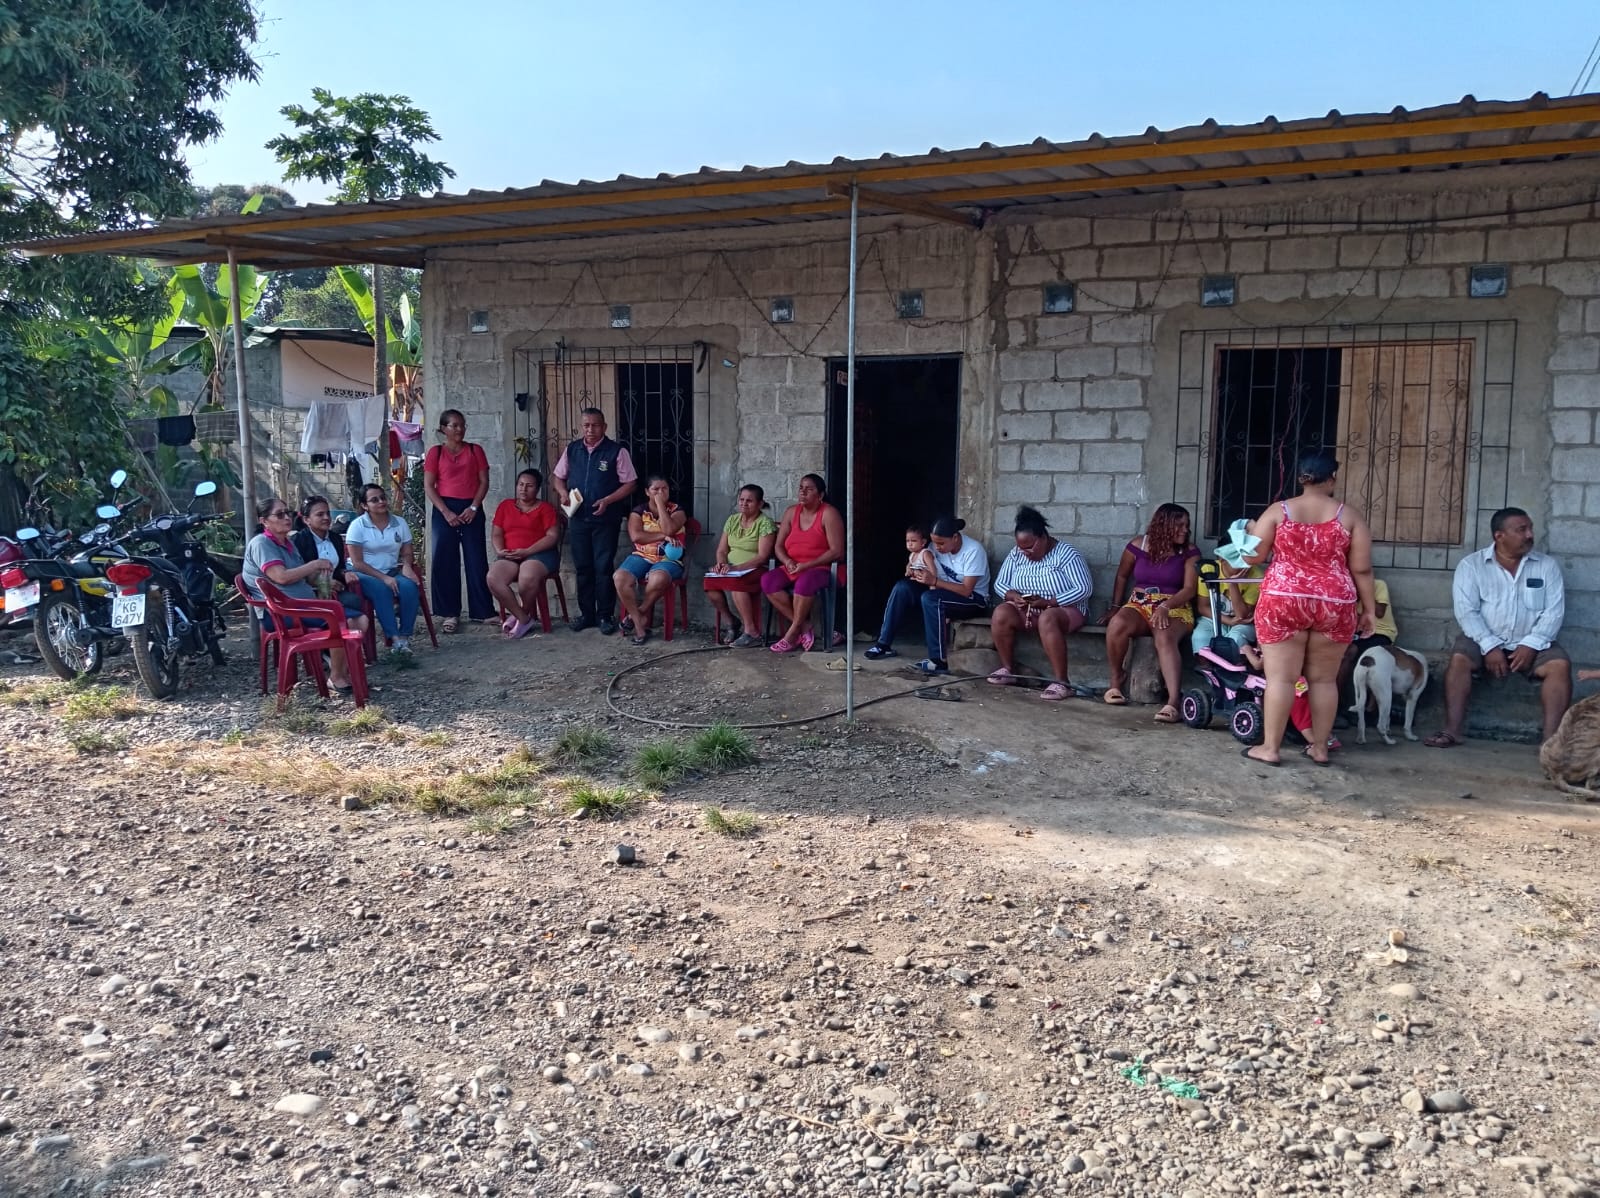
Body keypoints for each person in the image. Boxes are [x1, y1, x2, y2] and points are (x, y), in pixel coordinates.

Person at [1241, 452, 1376, 766]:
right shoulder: (1349, 516)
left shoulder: (1278, 511)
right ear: (1332, 478)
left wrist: (1250, 533)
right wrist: (1369, 610)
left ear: (1301, 478)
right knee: (1324, 681)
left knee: (1281, 679)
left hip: (1283, 598)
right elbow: (1362, 568)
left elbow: (1252, 557)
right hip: (1334, 603)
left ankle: (1270, 749)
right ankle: (1320, 748)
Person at [1425, 508, 1570, 747]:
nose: (1529, 535)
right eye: (1521, 530)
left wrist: (1531, 644)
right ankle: (1452, 731)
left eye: (1530, 528)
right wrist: (1490, 646)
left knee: (1559, 666)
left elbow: (1554, 612)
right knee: (1460, 659)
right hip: (1482, 638)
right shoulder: (1472, 566)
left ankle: (1551, 743)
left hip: (1532, 639)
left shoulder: (1546, 566)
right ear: (1499, 536)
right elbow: (1466, 612)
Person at [242, 494, 354, 692]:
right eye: (280, 514)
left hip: (300, 605)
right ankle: (336, 676)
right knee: (339, 619)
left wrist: (323, 582)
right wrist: (315, 564)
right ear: (264, 521)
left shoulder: (287, 543)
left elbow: (303, 576)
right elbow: (281, 577)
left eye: (288, 513)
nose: (287, 518)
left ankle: (340, 668)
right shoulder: (262, 543)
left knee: (351, 615)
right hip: (281, 612)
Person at [1101, 503, 1201, 722]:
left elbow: (1189, 589)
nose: (1185, 530)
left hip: (1174, 606)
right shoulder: (1138, 545)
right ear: (1163, 525)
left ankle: (1173, 701)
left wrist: (1165, 607)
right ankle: (1116, 681)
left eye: (1187, 525)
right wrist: (1116, 607)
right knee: (1117, 624)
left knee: (1164, 636)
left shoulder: (1190, 552)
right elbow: (1122, 576)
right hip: (1140, 603)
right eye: (1179, 525)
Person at [986, 506, 1094, 700]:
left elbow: (1084, 589)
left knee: (1048, 617)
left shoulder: (1067, 554)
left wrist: (1050, 602)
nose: (1025, 552)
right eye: (1021, 548)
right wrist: (1014, 597)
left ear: (1043, 537)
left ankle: (1063, 683)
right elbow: (1000, 584)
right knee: (1001, 612)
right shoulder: (1016, 554)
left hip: (1065, 610)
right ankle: (1008, 669)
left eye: (1029, 547)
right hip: (1028, 610)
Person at [864, 515, 991, 675]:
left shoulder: (973, 551)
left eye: (941, 543)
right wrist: (915, 572)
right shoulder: (933, 548)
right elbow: (923, 565)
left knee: (931, 599)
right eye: (934, 542)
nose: (937, 547)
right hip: (942, 591)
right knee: (902, 587)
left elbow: (967, 590)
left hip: (973, 599)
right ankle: (883, 645)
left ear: (955, 537)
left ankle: (938, 661)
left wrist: (934, 581)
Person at [551, 407, 637, 635]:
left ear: (604, 427)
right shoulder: (573, 450)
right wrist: (562, 493)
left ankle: (605, 615)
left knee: (603, 567)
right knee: (583, 568)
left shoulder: (616, 452)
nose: (590, 429)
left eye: (595, 425)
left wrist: (608, 500)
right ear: (582, 427)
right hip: (579, 518)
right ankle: (586, 614)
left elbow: (630, 483)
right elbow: (558, 477)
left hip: (605, 519)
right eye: (586, 425)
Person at [422, 408, 492, 632]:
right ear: (444, 428)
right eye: (454, 425)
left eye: (462, 425)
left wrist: (474, 507)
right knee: (444, 560)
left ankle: (483, 611)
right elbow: (429, 486)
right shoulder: (436, 453)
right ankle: (449, 613)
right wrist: (446, 512)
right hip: (444, 508)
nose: (459, 429)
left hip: (471, 507)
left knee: (476, 558)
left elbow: (484, 482)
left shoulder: (475, 450)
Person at [762, 473, 846, 654]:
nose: (803, 492)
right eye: (801, 488)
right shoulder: (791, 512)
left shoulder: (829, 513)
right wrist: (787, 561)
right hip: (793, 566)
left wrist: (807, 565)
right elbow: (778, 546)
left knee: (804, 582)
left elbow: (837, 551)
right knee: (768, 581)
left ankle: (792, 633)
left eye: (809, 489)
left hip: (822, 568)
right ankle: (804, 625)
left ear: (820, 495)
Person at [345, 483, 423, 655]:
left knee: (410, 587)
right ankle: (394, 639)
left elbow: (407, 552)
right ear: (365, 505)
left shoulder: (399, 523)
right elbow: (357, 563)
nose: (381, 502)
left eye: (382, 498)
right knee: (381, 589)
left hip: (391, 570)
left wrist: (407, 566)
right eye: (374, 500)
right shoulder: (357, 526)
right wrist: (383, 578)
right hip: (363, 573)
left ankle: (404, 637)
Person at [613, 475, 688, 646]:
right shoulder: (638, 511)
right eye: (655, 489)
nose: (660, 492)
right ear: (647, 492)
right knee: (620, 577)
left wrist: (660, 505)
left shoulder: (678, 510)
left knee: (658, 578)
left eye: (664, 489)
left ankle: (639, 614)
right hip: (642, 555)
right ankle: (640, 624)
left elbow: (669, 528)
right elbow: (636, 536)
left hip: (669, 559)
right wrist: (663, 537)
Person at [488, 468, 561, 640]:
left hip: (540, 554)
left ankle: (521, 616)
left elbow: (552, 537)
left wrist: (527, 551)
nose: (523, 489)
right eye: (520, 485)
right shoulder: (505, 506)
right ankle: (523, 618)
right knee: (493, 578)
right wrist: (500, 551)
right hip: (511, 554)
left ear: (537, 489)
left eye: (529, 486)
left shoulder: (545, 509)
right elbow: (497, 533)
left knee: (527, 576)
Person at [704, 483, 778, 648]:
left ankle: (751, 632)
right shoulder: (732, 520)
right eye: (741, 500)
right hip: (731, 568)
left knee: (737, 584)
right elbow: (722, 550)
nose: (744, 504)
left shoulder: (765, 523)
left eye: (749, 501)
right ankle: (731, 621)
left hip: (756, 569)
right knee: (709, 584)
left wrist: (737, 568)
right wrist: (721, 564)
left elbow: (762, 557)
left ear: (760, 504)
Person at [290, 495, 369, 636]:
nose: (326, 517)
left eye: (327, 513)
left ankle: (346, 643)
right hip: (310, 592)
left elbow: (338, 568)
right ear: (306, 520)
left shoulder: (335, 538)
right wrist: (322, 582)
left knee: (354, 600)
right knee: (349, 607)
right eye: (320, 514)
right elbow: (296, 573)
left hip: (333, 590)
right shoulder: (298, 541)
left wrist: (345, 573)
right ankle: (331, 641)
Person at [1337, 576, 1398, 715]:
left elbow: (1380, 612)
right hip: (1357, 632)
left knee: (1369, 656)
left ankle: (1371, 709)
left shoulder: (1378, 584)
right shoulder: (1344, 587)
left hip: (1380, 631)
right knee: (1345, 653)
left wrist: (1362, 592)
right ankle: (1337, 701)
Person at [1192, 556, 1262, 655]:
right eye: (1238, 561)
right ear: (1223, 559)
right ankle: (1206, 664)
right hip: (1213, 617)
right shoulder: (1209, 569)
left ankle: (1236, 663)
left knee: (1235, 638)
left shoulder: (1256, 575)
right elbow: (1203, 607)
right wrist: (1229, 621)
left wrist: (1232, 584)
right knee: (1200, 637)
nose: (1244, 567)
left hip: (1242, 622)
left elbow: (1242, 615)